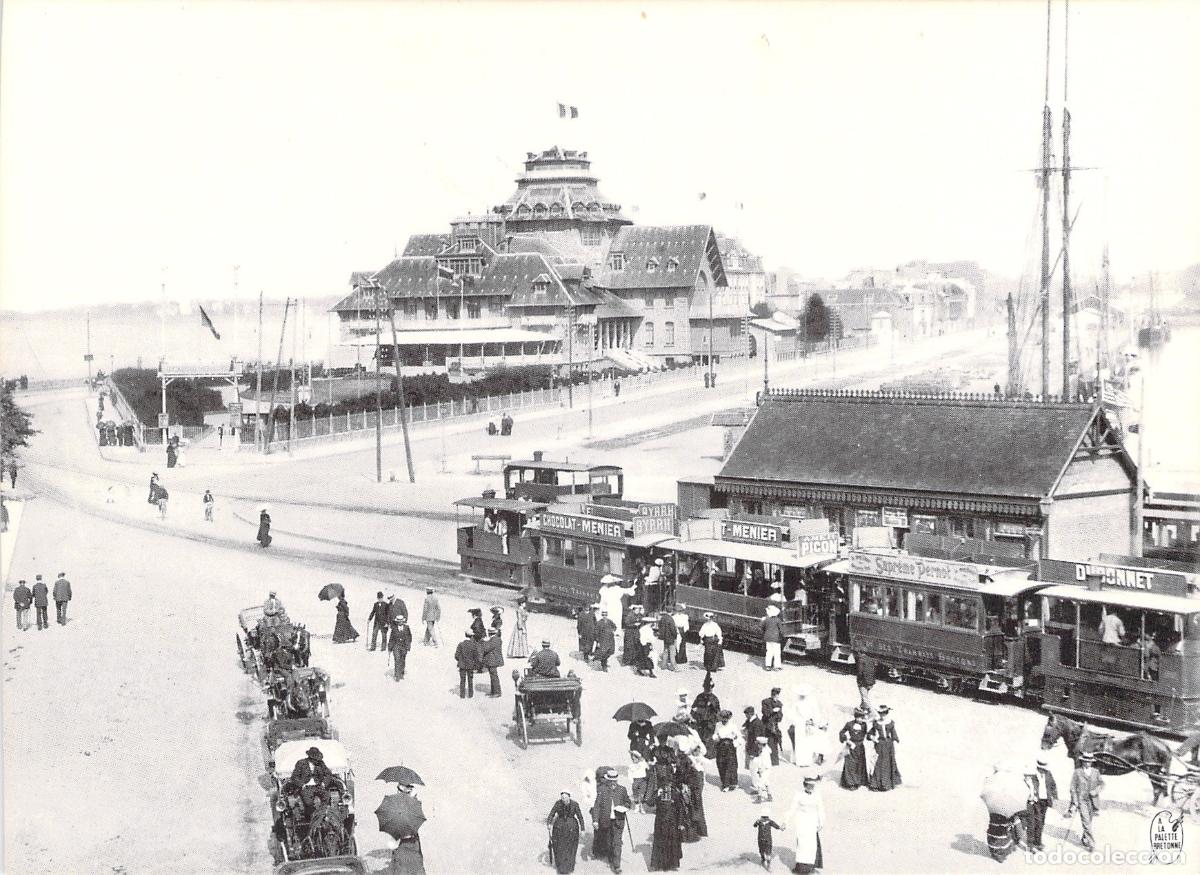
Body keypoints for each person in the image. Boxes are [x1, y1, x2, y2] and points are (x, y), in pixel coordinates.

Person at [591, 769, 632, 874]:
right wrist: (595, 820)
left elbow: (628, 802)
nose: (613, 783)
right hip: (606, 821)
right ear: (608, 780)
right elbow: (597, 806)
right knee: (609, 842)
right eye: (611, 781)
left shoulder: (622, 789)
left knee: (617, 842)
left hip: (618, 820)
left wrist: (625, 807)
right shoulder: (602, 790)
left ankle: (617, 865)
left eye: (615, 781)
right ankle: (611, 857)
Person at [649, 761, 684, 871]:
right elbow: (649, 803)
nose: (666, 787)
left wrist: (680, 823)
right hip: (660, 822)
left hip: (672, 823)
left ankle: (671, 865)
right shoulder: (658, 794)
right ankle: (659, 865)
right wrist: (656, 794)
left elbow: (680, 809)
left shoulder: (675, 794)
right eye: (664, 785)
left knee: (672, 843)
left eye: (668, 785)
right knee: (660, 842)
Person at [786, 775, 825, 874]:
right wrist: (785, 821)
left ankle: (811, 867)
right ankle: (801, 868)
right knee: (802, 845)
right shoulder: (798, 795)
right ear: (805, 785)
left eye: (813, 785)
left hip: (813, 823)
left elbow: (820, 809)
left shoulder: (817, 795)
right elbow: (792, 808)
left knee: (812, 846)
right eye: (810, 785)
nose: (812, 787)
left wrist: (822, 822)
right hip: (802, 822)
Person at [1066, 751, 1103, 851]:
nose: (1087, 763)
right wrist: (1075, 801)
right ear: (1082, 762)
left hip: (1093, 801)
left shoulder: (1096, 772)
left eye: (1089, 761)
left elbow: (1102, 784)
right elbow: (1072, 788)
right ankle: (1092, 844)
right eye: (1085, 761)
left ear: (1091, 762)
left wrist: (1095, 791)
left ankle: (1084, 838)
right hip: (1081, 800)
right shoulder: (1077, 772)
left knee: (1089, 822)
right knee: (1086, 821)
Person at [787, 686, 827, 769]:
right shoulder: (796, 703)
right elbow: (792, 714)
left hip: (808, 724)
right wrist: (797, 721)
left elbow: (816, 713)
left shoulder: (812, 702)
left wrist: (812, 720)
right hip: (799, 724)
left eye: (804, 695)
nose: (802, 696)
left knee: (808, 742)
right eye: (801, 695)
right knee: (800, 742)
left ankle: (807, 761)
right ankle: (800, 761)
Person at [547, 790, 586, 874]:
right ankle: (561, 867)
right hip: (559, 829)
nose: (563, 799)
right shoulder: (558, 804)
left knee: (571, 848)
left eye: (565, 797)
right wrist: (549, 823)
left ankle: (569, 867)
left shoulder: (575, 804)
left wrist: (582, 829)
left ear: (569, 796)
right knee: (559, 847)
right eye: (562, 798)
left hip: (572, 829)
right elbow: (551, 814)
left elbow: (580, 817)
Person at [866, 705, 901, 791]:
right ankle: (875, 784)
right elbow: (870, 733)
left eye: (884, 714)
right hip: (879, 745)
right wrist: (872, 737)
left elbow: (893, 732)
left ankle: (886, 784)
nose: (882, 716)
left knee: (888, 763)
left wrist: (895, 738)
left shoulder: (890, 723)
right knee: (878, 763)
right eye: (880, 714)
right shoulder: (876, 723)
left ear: (887, 714)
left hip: (888, 745)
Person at [290, 746, 335, 812]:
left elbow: (328, 774)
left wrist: (324, 783)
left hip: (318, 786)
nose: (317, 761)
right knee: (308, 802)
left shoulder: (321, 763)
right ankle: (311, 816)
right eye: (315, 759)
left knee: (327, 796)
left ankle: (323, 814)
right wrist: (302, 784)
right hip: (306, 787)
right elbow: (294, 776)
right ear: (310, 758)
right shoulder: (301, 763)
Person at [1028, 756, 1058, 851]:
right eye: (1041, 768)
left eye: (1044, 768)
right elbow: (1028, 787)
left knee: (1041, 822)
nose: (1043, 770)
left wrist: (1055, 797)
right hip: (1035, 801)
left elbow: (1053, 785)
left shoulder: (1048, 774)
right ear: (1038, 767)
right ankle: (1031, 845)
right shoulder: (1032, 775)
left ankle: (1038, 842)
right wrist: (1032, 796)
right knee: (1033, 822)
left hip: (1045, 801)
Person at [691, 673, 721, 759]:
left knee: (708, 739)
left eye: (710, 688)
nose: (708, 690)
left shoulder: (714, 699)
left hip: (709, 723)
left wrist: (712, 707)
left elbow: (718, 712)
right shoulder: (699, 697)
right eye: (706, 688)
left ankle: (708, 754)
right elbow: (693, 708)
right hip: (699, 722)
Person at [838, 708, 869, 790]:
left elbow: (866, 734)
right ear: (855, 717)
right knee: (851, 764)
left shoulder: (864, 725)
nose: (861, 719)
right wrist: (846, 740)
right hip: (851, 746)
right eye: (859, 718)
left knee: (860, 764)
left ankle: (859, 781)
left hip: (860, 747)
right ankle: (851, 783)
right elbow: (842, 732)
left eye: (862, 718)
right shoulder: (849, 724)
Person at [715, 709, 741, 791]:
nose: (724, 720)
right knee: (721, 763)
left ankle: (733, 783)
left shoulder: (733, 726)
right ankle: (725, 784)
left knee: (731, 764)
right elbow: (715, 734)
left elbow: (739, 736)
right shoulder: (718, 725)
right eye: (722, 719)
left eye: (725, 719)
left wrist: (736, 743)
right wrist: (715, 738)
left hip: (730, 746)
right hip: (721, 745)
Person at [455, 630, 482, 698]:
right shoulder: (474, 645)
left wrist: (460, 660)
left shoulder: (461, 644)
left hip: (462, 665)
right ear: (471, 636)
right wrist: (476, 665)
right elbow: (476, 656)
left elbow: (456, 655)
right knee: (470, 680)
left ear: (465, 635)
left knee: (462, 680)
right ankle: (470, 695)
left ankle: (462, 695)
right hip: (470, 665)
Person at [482, 627, 505, 697]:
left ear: (489, 633)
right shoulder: (497, 639)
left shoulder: (493, 640)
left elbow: (486, 649)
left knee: (494, 676)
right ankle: (493, 691)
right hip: (494, 660)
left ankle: (497, 692)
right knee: (493, 676)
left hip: (492, 660)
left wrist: (483, 642)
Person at [750, 736, 774, 802]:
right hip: (767, 769)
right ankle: (769, 796)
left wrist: (760, 770)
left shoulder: (764, 753)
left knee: (759, 783)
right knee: (766, 782)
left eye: (758, 744)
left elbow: (763, 762)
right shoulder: (766, 750)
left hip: (765, 769)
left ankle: (759, 798)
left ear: (761, 745)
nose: (757, 745)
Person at [854, 648, 876, 719]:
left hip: (863, 682)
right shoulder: (870, 659)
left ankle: (871, 713)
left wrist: (859, 681)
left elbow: (860, 672)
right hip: (871, 682)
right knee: (865, 696)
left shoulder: (861, 660)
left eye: (858, 652)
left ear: (860, 652)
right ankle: (862, 709)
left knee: (864, 698)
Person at [389, 615, 413, 681]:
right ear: (397, 622)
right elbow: (391, 638)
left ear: (403, 621)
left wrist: (408, 645)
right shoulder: (394, 628)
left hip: (404, 646)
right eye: (398, 622)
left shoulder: (407, 627)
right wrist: (390, 648)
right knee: (397, 660)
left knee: (402, 660)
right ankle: (397, 675)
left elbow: (409, 637)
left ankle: (401, 673)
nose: (400, 623)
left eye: (401, 621)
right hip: (396, 646)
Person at [762, 605, 784, 672]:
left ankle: (768, 666)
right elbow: (781, 630)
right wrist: (782, 636)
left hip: (768, 638)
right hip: (776, 638)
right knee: (777, 652)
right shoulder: (778, 620)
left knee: (769, 652)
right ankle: (777, 666)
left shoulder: (766, 619)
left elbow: (762, 627)